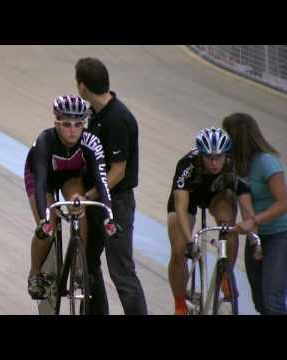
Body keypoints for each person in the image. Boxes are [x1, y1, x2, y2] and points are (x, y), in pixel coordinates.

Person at [24, 95, 116, 300]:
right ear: (56, 123)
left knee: (79, 208)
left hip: (70, 176)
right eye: (66, 124)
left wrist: (108, 214)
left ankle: (77, 269)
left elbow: (102, 181)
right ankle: (35, 272)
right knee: (48, 227)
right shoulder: (44, 141)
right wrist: (44, 219)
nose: (73, 130)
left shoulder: (91, 142)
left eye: (78, 124)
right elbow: (39, 183)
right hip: (43, 178)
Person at [75, 57, 147, 315]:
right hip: (97, 200)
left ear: (82, 87)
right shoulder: (96, 113)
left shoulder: (117, 118)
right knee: (89, 263)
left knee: (121, 272)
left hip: (115, 203)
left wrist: (89, 196)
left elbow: (117, 172)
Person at [167, 127, 255, 315]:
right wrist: (189, 242)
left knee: (229, 227)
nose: (214, 163)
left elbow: (247, 206)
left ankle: (226, 275)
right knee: (178, 250)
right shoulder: (186, 165)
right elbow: (181, 208)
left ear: (226, 155)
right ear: (200, 155)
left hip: (218, 195)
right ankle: (180, 304)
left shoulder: (234, 166)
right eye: (209, 158)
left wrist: (253, 231)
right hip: (189, 197)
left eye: (219, 157)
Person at [223, 113, 287, 315]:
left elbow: (284, 202)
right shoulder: (240, 166)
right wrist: (253, 236)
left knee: (272, 300)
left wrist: (254, 221)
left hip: (280, 235)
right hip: (258, 236)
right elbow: (244, 201)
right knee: (260, 301)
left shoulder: (267, 162)